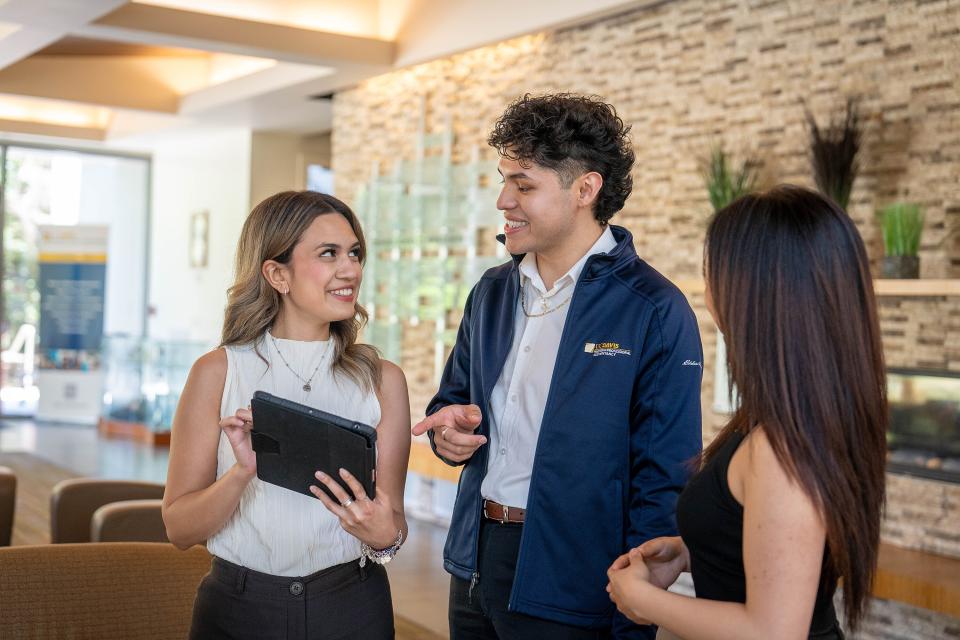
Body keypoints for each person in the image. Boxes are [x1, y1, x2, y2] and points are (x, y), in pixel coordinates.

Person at [412, 93, 704, 640]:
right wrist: (447, 434)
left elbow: (664, 477)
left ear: (585, 190)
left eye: (524, 185)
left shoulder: (653, 308)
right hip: (474, 562)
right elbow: (451, 401)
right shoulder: (493, 291)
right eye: (503, 181)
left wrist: (636, 614)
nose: (503, 200)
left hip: (578, 578)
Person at [607, 186, 888, 640]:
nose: (707, 289)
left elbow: (774, 632)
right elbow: (787, 551)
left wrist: (643, 601)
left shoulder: (782, 450)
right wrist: (692, 551)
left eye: (711, 271)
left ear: (754, 290)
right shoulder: (803, 416)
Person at [162, 191, 411, 640]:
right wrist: (242, 472)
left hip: (352, 606)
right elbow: (179, 528)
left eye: (354, 253)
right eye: (328, 254)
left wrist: (381, 533)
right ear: (277, 274)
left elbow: (392, 527)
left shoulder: (382, 380)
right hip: (238, 609)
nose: (350, 269)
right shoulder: (217, 372)